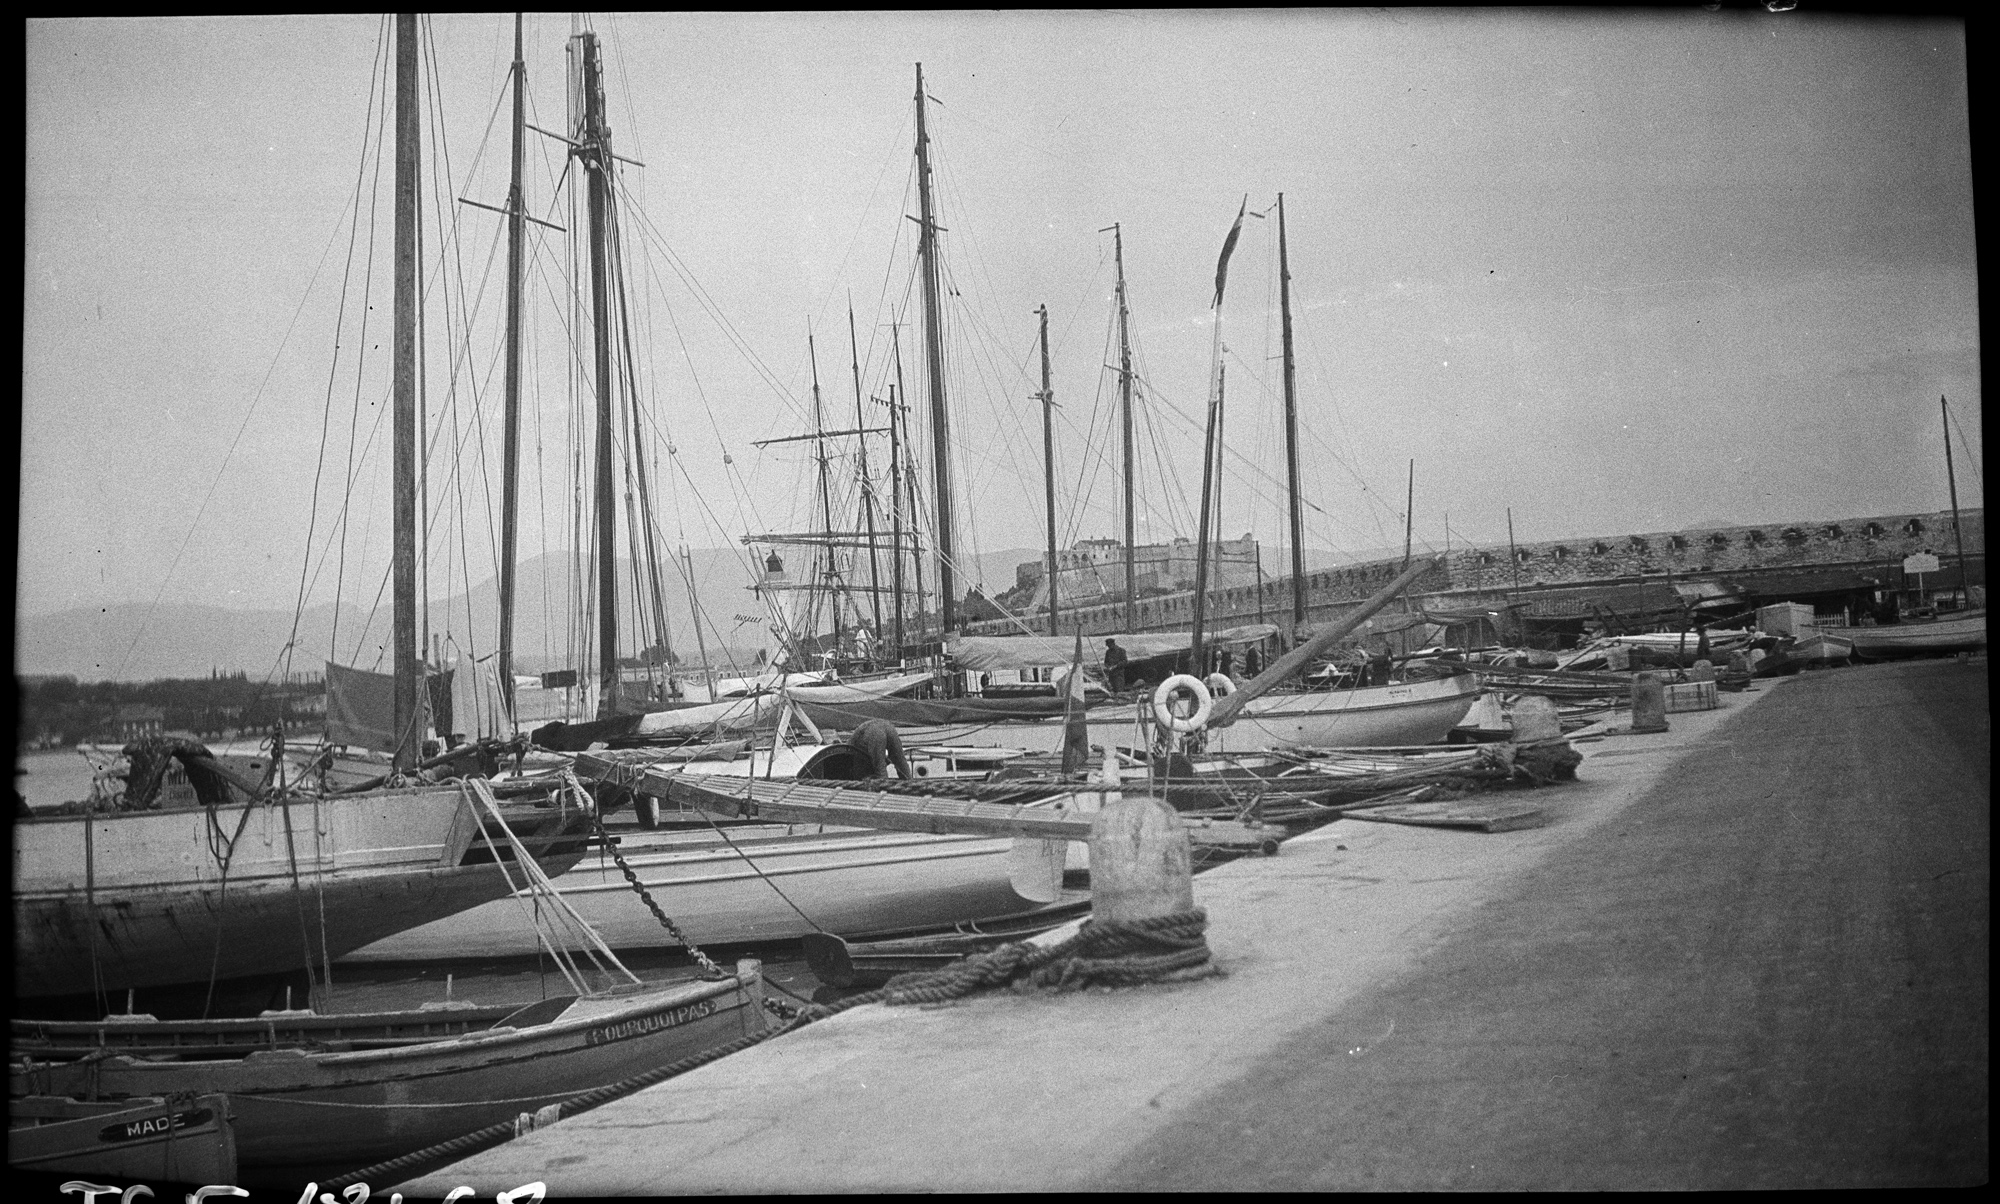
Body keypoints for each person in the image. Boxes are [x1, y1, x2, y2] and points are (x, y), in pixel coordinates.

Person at [847, 718, 913, 780]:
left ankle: (884, 787)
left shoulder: (850, 753)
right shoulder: (853, 744)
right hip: (889, 726)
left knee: (879, 767)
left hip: (873, 731)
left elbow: (866, 763)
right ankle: (910, 784)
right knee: (900, 761)